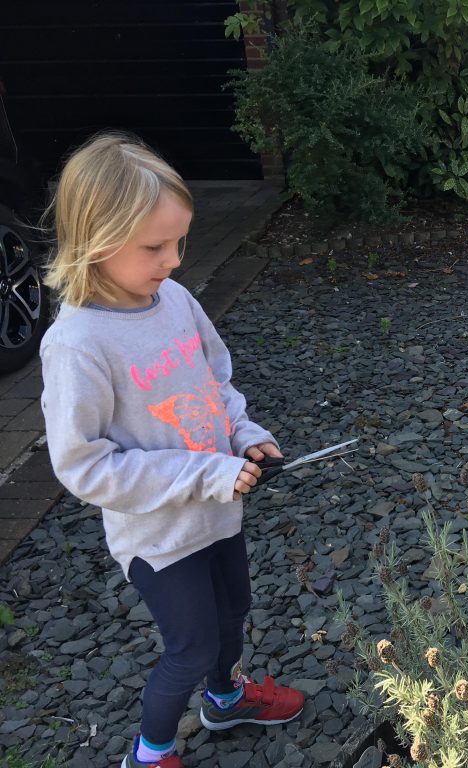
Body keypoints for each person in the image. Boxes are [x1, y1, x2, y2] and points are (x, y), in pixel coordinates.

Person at [39, 133, 305, 768]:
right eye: (155, 247)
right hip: (159, 538)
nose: (175, 260)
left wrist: (244, 436)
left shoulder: (175, 300)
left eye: (179, 242)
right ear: (95, 241)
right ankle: (151, 753)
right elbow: (83, 464)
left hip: (216, 511)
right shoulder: (78, 345)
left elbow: (216, 382)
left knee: (233, 610)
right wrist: (206, 471)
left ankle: (224, 699)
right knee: (189, 645)